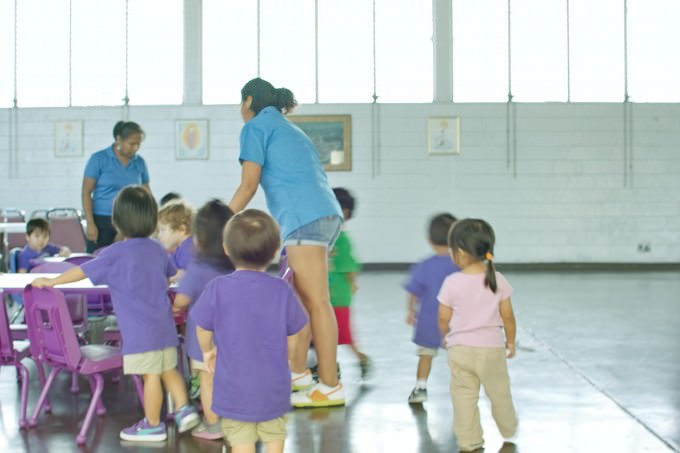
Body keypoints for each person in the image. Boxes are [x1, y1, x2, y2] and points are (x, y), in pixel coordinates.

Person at [32, 186, 199, 442]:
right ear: (152, 218)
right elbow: (171, 274)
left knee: (150, 376)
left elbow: (83, 272)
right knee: (169, 370)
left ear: (117, 220)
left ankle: (153, 425)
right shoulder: (157, 250)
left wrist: (53, 282)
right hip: (165, 327)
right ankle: (183, 408)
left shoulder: (114, 253)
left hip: (141, 333)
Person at [227, 77, 345, 407]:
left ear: (248, 101)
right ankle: (299, 373)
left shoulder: (255, 128)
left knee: (317, 303)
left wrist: (220, 221)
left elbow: (248, 186)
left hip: (304, 218)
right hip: (320, 215)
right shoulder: (289, 128)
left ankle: (331, 385)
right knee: (301, 301)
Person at [191, 209, 308, 452]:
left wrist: (208, 350)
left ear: (226, 248)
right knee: (274, 438)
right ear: (276, 250)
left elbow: (201, 326)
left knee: (241, 443)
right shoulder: (281, 290)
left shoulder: (217, 288)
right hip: (273, 389)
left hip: (234, 390)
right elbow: (297, 331)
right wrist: (291, 359)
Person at [438, 218, 519, 452]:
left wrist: (446, 336)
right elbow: (508, 317)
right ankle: (509, 428)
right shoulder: (498, 280)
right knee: (499, 392)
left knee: (463, 396)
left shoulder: (451, 283)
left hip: (460, 350)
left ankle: (469, 441)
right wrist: (510, 341)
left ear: (460, 252)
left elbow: (443, 318)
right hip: (491, 351)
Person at [171, 199, 234, 440]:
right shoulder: (236, 266)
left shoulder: (198, 268)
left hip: (204, 342)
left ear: (201, 238)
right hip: (233, 339)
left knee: (207, 382)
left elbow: (182, 301)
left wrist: (174, 305)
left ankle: (213, 424)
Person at [404, 213, 459, 404]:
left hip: (429, 320)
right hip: (456, 322)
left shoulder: (425, 266)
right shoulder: (461, 265)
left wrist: (411, 310)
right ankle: (461, 390)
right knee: (458, 356)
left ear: (430, 240)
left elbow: (414, 291)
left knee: (426, 355)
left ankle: (420, 387)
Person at [82, 121, 150, 253]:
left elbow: (146, 192)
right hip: (102, 220)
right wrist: (90, 223)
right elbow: (86, 192)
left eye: (138, 144)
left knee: (125, 259)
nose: (135, 148)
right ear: (118, 139)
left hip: (130, 221)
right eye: (131, 143)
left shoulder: (139, 162)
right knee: (98, 260)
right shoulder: (99, 159)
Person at [328, 187, 371, 378]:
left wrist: (352, 283)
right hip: (328, 293)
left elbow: (348, 267)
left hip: (337, 295)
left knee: (341, 334)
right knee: (328, 332)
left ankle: (360, 359)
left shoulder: (341, 239)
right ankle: (330, 363)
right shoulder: (328, 237)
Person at [157, 200, 195, 277]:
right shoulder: (176, 249)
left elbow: (189, 273)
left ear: (182, 230)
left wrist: (173, 276)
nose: (159, 235)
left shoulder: (188, 249)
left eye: (163, 230)